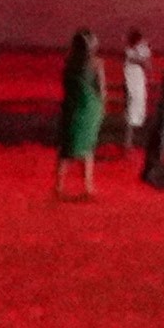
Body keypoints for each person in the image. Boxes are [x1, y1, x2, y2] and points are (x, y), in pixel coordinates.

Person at [53, 30, 106, 201]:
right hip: (90, 108)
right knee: (88, 148)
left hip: (72, 107)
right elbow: (101, 89)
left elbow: (66, 87)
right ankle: (88, 187)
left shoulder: (69, 63)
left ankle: (58, 187)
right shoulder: (96, 63)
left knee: (67, 148)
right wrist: (102, 106)